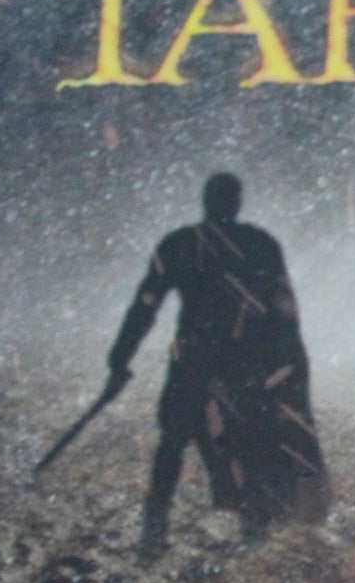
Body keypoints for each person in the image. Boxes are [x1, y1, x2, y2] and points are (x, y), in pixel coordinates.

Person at [107, 173, 331, 562]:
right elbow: (284, 314)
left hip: (199, 364)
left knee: (174, 445)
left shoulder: (181, 244)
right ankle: (250, 533)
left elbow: (145, 306)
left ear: (207, 201)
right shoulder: (258, 245)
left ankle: (154, 533)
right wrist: (287, 368)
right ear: (236, 202)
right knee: (240, 446)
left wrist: (120, 359)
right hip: (237, 368)